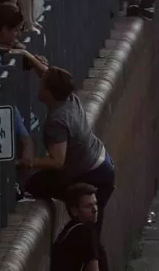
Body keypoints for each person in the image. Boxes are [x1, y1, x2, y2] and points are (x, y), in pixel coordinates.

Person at [20, 57, 115, 228]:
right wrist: (30, 59)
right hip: (101, 163)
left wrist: (29, 161)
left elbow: (57, 161)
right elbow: (49, 75)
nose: (39, 85)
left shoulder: (57, 121)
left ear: (48, 92)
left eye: (42, 84)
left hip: (91, 176)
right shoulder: (67, 96)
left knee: (87, 228)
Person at [50, 183, 107, 271]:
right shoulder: (86, 232)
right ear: (74, 211)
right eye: (88, 206)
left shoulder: (68, 232)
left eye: (95, 204)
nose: (95, 210)